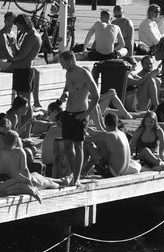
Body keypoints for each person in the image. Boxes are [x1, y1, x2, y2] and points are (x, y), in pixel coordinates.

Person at [56, 50, 98, 186]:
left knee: (78, 146)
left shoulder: (84, 73)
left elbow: (96, 96)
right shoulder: (68, 73)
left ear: (70, 61)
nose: (62, 67)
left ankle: (77, 177)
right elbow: (67, 88)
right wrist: (64, 95)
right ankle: (73, 174)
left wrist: (86, 114)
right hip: (68, 112)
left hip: (80, 113)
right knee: (67, 145)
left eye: (63, 64)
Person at [84, 111, 139, 178]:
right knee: (100, 143)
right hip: (122, 172)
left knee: (88, 144)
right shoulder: (122, 134)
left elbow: (87, 140)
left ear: (105, 124)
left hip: (111, 173)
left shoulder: (110, 136)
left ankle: (82, 170)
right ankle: (84, 171)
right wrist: (83, 126)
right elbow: (94, 132)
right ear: (117, 123)